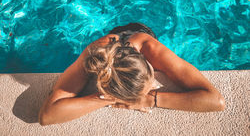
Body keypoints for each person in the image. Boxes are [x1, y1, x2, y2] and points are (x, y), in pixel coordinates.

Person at [38, 22, 225, 126]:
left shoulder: (151, 48)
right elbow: (47, 115)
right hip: (114, 44)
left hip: (140, 30)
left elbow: (215, 101)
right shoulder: (95, 54)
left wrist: (149, 99)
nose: (152, 86)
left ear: (146, 62)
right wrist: (107, 99)